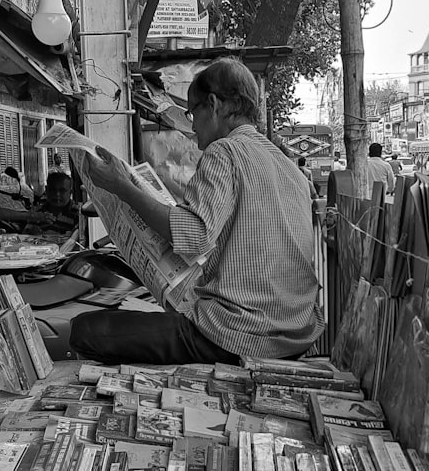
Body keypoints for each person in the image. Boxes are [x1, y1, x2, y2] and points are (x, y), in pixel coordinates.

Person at [70, 58, 324, 364]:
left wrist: (121, 187)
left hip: (240, 333)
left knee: (84, 330)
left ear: (214, 104)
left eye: (192, 112)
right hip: (297, 332)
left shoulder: (225, 150)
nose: (191, 125)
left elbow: (193, 237)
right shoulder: (290, 168)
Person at [25, 172, 81, 236]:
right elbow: (26, 234)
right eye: (53, 190)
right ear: (46, 190)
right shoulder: (37, 213)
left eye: (62, 191)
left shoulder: (77, 214)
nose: (57, 194)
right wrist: (31, 232)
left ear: (70, 193)